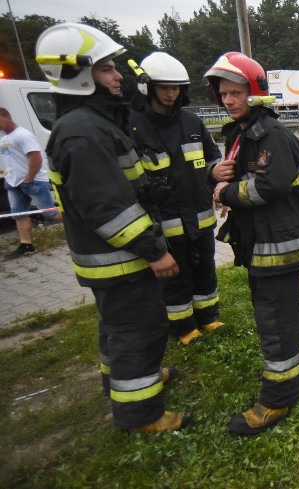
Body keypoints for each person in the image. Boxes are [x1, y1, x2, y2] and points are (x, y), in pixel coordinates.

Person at [36, 22, 191, 433]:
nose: (118, 75)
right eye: (106, 68)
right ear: (78, 74)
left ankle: (123, 384)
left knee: (117, 326)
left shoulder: (91, 123)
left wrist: (150, 190)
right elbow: (108, 209)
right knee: (138, 330)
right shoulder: (82, 133)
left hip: (110, 259)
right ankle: (142, 414)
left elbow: (119, 186)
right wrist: (155, 250)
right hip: (119, 258)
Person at [205, 52, 299, 436]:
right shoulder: (244, 132)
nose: (228, 100)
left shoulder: (269, 134)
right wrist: (218, 173)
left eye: (235, 93)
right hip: (268, 241)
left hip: (280, 244)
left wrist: (226, 192)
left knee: (273, 318)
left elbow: (269, 187)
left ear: (253, 92)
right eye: (223, 94)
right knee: (284, 306)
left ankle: (278, 398)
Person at [128, 52, 224, 346]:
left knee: (205, 269)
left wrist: (216, 172)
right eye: (164, 87)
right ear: (148, 87)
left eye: (176, 88)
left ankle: (209, 318)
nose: (171, 94)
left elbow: (211, 158)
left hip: (199, 217)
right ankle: (183, 328)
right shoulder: (133, 126)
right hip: (165, 223)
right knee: (175, 277)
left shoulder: (192, 122)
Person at [0, 107, 61, 258]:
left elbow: (36, 158)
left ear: (7, 117)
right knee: (19, 214)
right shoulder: (4, 138)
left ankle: (82, 223)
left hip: (32, 181)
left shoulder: (23, 135)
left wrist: (29, 179)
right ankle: (26, 244)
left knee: (50, 213)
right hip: (13, 183)